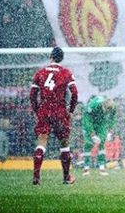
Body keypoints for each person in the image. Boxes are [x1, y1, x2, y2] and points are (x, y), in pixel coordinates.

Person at [30, 46, 78, 185]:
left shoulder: (40, 72)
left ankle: (36, 177)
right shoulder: (66, 73)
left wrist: (36, 110)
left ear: (51, 57)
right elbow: (74, 93)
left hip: (44, 109)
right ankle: (66, 177)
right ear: (61, 59)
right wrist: (71, 110)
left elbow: (32, 95)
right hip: (59, 110)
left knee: (42, 142)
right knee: (64, 143)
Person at [82, 96, 117, 175]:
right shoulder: (93, 105)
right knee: (88, 144)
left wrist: (110, 131)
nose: (108, 113)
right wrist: (92, 133)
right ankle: (86, 168)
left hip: (102, 123)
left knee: (102, 142)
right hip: (90, 121)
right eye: (107, 111)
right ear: (103, 106)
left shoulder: (113, 107)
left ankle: (102, 167)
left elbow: (112, 118)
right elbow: (87, 119)